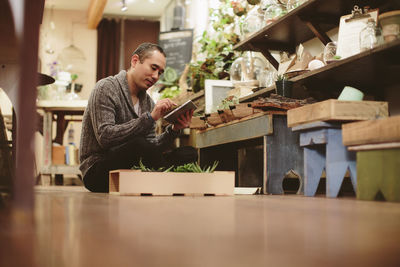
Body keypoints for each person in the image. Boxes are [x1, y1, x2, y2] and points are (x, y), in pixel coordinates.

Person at [79, 43, 197, 193]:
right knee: (138, 145)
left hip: (132, 168)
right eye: (153, 68)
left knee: (188, 153)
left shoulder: (147, 102)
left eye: (160, 72)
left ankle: (163, 177)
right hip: (98, 171)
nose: (155, 76)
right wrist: (150, 118)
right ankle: (169, 180)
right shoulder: (106, 88)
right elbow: (105, 137)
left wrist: (174, 130)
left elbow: (151, 147)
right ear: (135, 61)